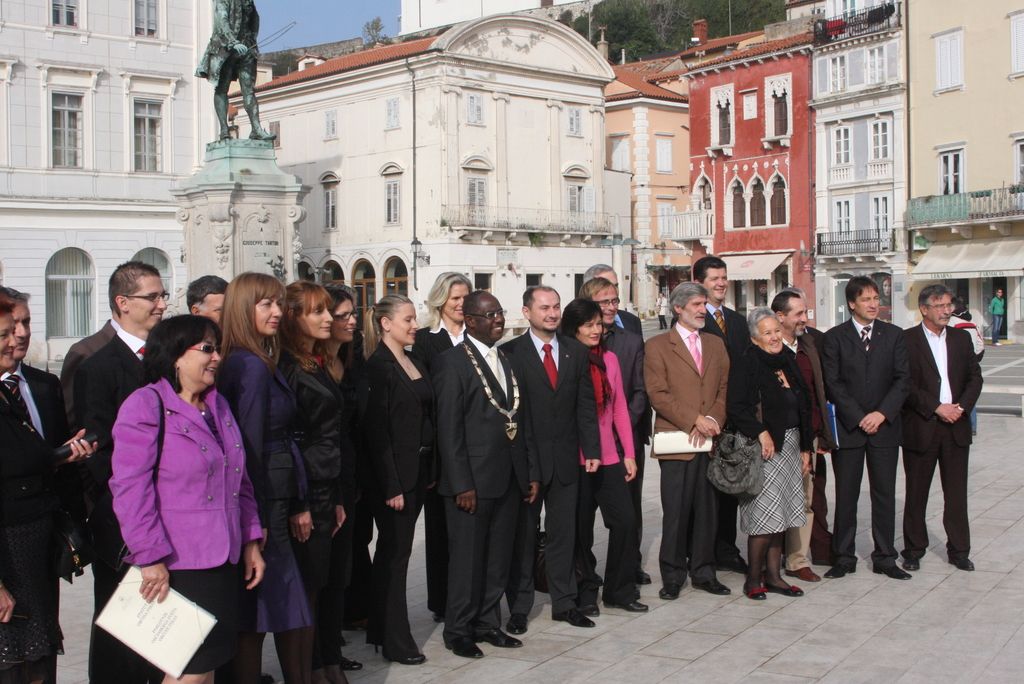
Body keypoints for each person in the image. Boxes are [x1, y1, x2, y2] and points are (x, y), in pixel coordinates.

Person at [109, 315, 266, 683]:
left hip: (222, 559)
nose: (216, 358)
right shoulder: (145, 405)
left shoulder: (217, 406)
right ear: (176, 356)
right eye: (207, 349)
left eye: (218, 349)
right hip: (178, 564)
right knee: (189, 671)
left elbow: (239, 478)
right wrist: (150, 557)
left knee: (206, 666)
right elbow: (131, 488)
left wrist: (251, 539)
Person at [74, 261, 168, 684]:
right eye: (153, 297)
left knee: (162, 622)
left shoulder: (166, 356)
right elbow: (95, 447)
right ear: (122, 302)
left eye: (163, 295)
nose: (162, 305)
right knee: (118, 623)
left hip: (170, 512)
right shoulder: (97, 365)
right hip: (122, 517)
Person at [217, 273, 313, 684]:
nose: (277, 313)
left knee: (271, 605)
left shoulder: (249, 359)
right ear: (243, 310)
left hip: (271, 493)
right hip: (264, 498)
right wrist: (253, 522)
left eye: (278, 304)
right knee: (274, 604)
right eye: (266, 305)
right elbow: (248, 448)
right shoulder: (250, 366)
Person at [433, 291, 534, 659]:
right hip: (472, 482)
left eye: (499, 313)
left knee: (497, 557)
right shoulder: (451, 363)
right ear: (470, 321)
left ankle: (488, 623)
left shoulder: (505, 358)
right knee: (467, 560)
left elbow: (518, 419)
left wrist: (528, 472)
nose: (498, 320)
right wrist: (462, 483)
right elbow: (449, 429)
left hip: (507, 476)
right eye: (490, 315)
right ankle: (458, 629)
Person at [0, 292, 94, 684]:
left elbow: (57, 464)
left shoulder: (42, 385)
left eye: (25, 324)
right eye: (7, 330)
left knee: (41, 651)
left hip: (42, 540)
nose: (20, 336)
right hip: (6, 544)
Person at [502, 287, 601, 633]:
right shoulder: (511, 353)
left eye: (556, 306)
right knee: (525, 537)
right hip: (528, 464)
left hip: (566, 461)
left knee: (564, 534)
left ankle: (565, 602)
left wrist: (591, 449)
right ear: (527, 312)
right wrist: (522, 464)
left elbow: (584, 405)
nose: (552, 313)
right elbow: (510, 414)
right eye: (544, 307)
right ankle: (519, 607)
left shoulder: (575, 351)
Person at [278, 282, 353, 683]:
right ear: (294, 318)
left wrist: (335, 495)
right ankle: (306, 672)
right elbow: (289, 439)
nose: (329, 318)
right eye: (317, 312)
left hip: (327, 487)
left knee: (322, 585)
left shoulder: (314, 361)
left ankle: (324, 663)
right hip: (306, 490)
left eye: (329, 311)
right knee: (306, 590)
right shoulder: (287, 367)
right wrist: (299, 502)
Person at [644, 282, 731, 599]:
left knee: (708, 511)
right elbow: (658, 394)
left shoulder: (715, 344)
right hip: (677, 442)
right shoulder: (657, 346)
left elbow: (723, 388)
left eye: (704, 303)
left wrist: (713, 420)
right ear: (678, 308)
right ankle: (672, 575)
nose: (702, 309)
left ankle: (704, 571)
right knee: (677, 512)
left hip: (709, 442)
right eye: (696, 303)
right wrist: (694, 419)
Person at [822, 276, 911, 580]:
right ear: (851, 304)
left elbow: (903, 380)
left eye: (876, 298)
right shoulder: (834, 338)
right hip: (850, 428)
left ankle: (885, 556)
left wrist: (881, 414)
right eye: (866, 299)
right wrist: (860, 416)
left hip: (885, 428)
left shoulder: (894, 335)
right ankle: (844, 555)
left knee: (884, 493)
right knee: (846, 494)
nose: (874, 304)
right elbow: (832, 383)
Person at [560, 298, 645, 613]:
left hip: (609, 457)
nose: (596, 330)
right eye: (588, 325)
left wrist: (629, 453)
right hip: (577, 459)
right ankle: (584, 589)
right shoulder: (567, 359)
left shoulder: (609, 359)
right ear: (574, 328)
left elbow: (620, 408)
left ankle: (619, 590)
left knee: (625, 522)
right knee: (580, 531)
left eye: (598, 324)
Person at [360, 295, 432, 665]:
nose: (414, 324)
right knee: (395, 557)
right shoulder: (379, 368)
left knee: (395, 553)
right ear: (385, 324)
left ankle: (380, 629)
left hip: (418, 474)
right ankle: (395, 640)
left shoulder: (413, 358)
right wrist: (391, 487)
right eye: (407, 319)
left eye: (414, 317)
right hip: (395, 481)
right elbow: (378, 434)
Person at [728, 308, 813, 600]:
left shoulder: (787, 360)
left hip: (789, 445)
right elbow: (737, 406)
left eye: (777, 330)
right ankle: (754, 579)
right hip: (761, 448)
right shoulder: (747, 363)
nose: (775, 337)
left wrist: (805, 447)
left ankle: (775, 576)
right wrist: (760, 431)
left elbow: (803, 404)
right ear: (754, 338)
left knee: (783, 516)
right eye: (767, 333)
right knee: (763, 517)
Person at [901, 285, 983, 573]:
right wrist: (936, 407)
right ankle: (913, 548)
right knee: (916, 493)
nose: (947, 310)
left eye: (949, 304)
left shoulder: (962, 338)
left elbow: (975, 378)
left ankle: (959, 550)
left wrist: (961, 407)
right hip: (922, 425)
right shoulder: (907, 340)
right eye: (940, 306)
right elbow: (904, 383)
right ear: (924, 309)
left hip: (956, 426)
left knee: (956, 494)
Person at [579, 276, 652, 586]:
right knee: (581, 518)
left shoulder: (630, 339)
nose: (610, 308)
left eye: (613, 301)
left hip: (625, 439)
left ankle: (627, 570)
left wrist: (620, 434)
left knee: (627, 513)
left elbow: (637, 392)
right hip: (585, 447)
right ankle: (586, 575)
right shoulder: (572, 345)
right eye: (603, 302)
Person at [411, 272, 471, 622]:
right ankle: (442, 601)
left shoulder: (476, 336)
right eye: (454, 299)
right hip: (441, 446)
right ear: (440, 301)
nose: (460, 304)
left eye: (465, 297)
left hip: (473, 441)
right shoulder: (425, 341)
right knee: (439, 529)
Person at [772, 291, 837, 582]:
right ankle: (768, 561)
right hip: (774, 437)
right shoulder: (766, 347)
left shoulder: (810, 344)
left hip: (807, 435)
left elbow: (819, 393)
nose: (804, 319)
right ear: (780, 316)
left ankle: (798, 560)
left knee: (805, 499)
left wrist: (822, 434)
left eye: (805, 312)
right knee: (772, 499)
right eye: (798, 313)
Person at [693, 255, 750, 575]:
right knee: (701, 493)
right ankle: (700, 552)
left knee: (730, 489)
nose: (721, 283)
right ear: (700, 281)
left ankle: (727, 549)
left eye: (724, 277)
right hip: (703, 420)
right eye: (714, 278)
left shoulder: (738, 320)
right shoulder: (695, 322)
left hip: (733, 419)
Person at [318, 285, 363, 678]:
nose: (352, 321)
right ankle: (322, 660)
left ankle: (332, 654)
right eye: (343, 314)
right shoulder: (308, 364)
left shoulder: (350, 357)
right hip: (322, 482)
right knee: (323, 575)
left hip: (348, 477)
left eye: (354, 314)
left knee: (339, 575)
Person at [196, 0, 276, 141]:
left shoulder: (249, 2)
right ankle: (224, 129)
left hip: (246, 50)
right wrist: (233, 42)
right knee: (222, 88)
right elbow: (222, 20)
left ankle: (256, 129)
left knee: (249, 91)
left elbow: (254, 21)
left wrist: (251, 40)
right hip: (224, 49)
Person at [949, 298, 984, 435]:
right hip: (971, 364)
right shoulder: (972, 323)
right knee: (971, 394)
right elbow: (981, 345)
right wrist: (974, 359)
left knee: (957, 394)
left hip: (955, 365)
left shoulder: (951, 323)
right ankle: (973, 426)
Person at [583, 264, 643, 335]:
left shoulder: (632, 321)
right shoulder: (575, 325)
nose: (613, 290)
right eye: (605, 285)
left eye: (616, 285)